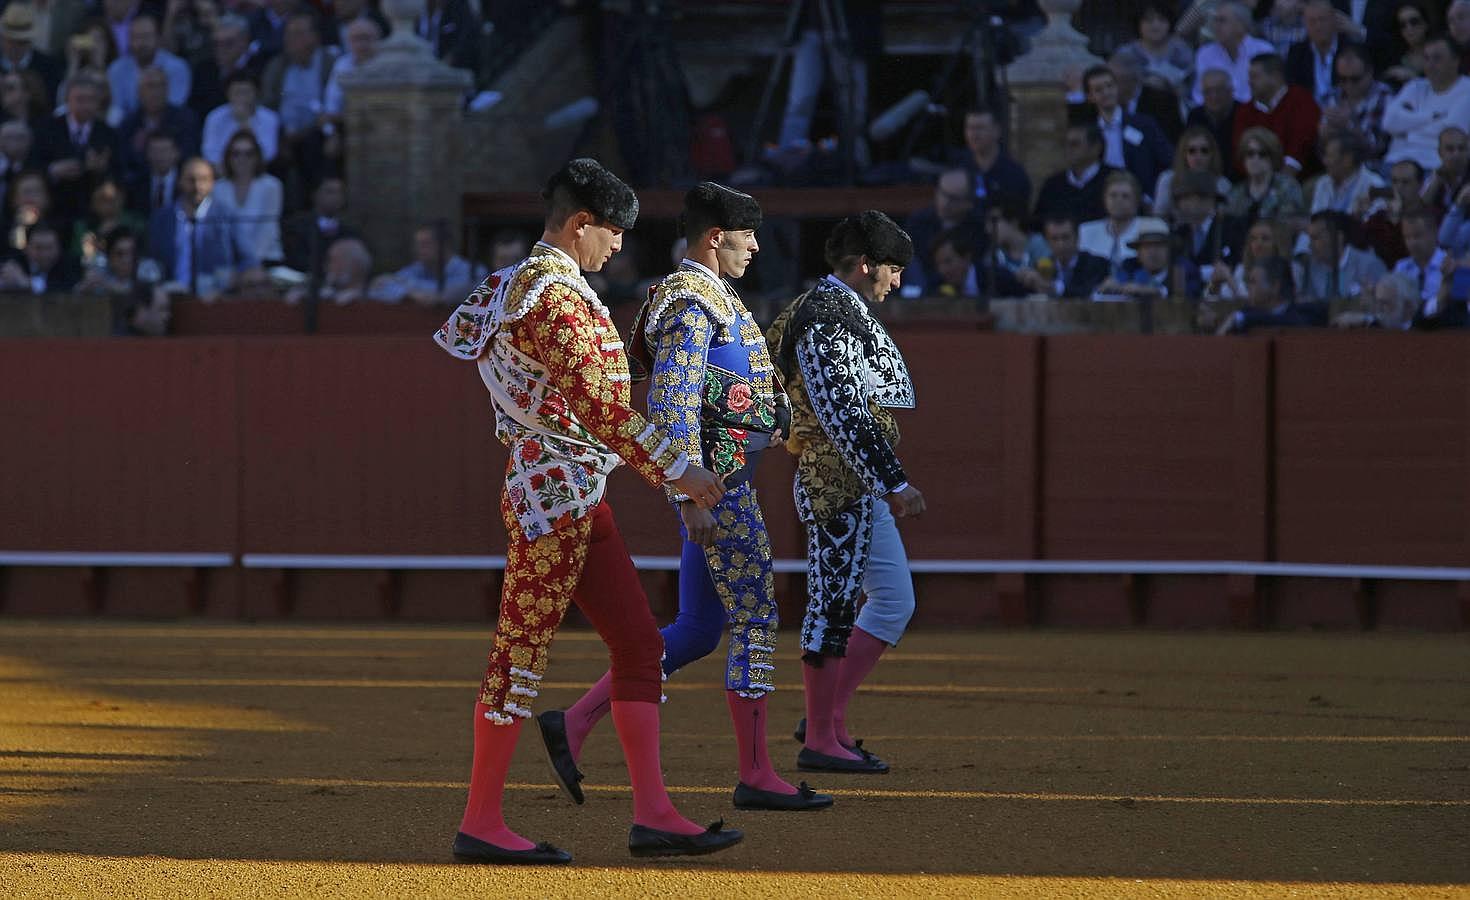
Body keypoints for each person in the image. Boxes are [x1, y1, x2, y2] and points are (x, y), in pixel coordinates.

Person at [433, 157, 741, 864]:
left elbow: (473, 350)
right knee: (519, 655)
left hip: (569, 492)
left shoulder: (511, 284)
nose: (620, 247)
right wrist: (678, 469)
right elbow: (603, 410)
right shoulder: (555, 300)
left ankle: (655, 814)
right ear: (580, 227)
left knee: (639, 646)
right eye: (614, 233)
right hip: (554, 504)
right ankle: (480, 821)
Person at [542, 182, 831, 815]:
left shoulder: (709, 297)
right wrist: (689, 497)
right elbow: (672, 403)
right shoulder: (692, 304)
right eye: (747, 236)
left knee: (699, 629)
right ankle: (755, 774)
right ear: (714, 237)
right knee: (755, 616)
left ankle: (574, 723)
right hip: (716, 484)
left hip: (720, 478)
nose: (756, 248)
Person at [764, 210, 923, 775]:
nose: (896, 282)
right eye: (893, 270)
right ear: (865, 266)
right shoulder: (827, 318)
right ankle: (822, 738)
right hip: (838, 481)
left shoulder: (830, 311)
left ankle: (824, 719)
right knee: (831, 604)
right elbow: (843, 413)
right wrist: (894, 480)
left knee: (893, 599)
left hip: (854, 480)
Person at [144, 155, 254, 295]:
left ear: (212, 182)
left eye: (204, 179)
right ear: (180, 181)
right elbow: (151, 259)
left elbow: (249, 260)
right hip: (170, 296)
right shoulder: (162, 217)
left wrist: (231, 279)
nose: (197, 186)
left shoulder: (226, 216)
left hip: (216, 298)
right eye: (191, 180)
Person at [1079, 64, 1172, 201]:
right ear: (1090, 97)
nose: (1106, 92)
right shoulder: (1088, 132)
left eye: (1109, 86)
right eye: (1098, 90)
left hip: (1142, 198)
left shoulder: (1143, 124)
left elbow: (1166, 158)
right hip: (1099, 198)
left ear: (1116, 88)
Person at [1382, 36, 1470, 172]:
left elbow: (1449, 132)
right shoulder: (1415, 87)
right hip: (1394, 163)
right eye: (1427, 58)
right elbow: (1389, 122)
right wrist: (1433, 117)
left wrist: (1407, 130)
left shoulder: (1467, 90)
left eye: (1437, 58)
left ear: (1455, 61)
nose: (1430, 65)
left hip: (1433, 168)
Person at [1231, 52, 1322, 175]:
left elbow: (1301, 145)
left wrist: (1278, 183)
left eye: (1255, 76)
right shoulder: (1245, 111)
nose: (1250, 82)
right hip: (1254, 179)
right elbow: (1241, 150)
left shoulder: (1301, 100)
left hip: (1300, 178)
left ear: (1275, 77)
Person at [903, 168, 985, 296]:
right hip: (926, 288)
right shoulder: (918, 223)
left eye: (953, 198)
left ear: (968, 203)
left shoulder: (978, 227)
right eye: (943, 193)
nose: (945, 203)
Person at [116, 65, 200, 185]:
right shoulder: (128, 124)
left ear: (167, 90)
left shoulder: (185, 119)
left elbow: (189, 154)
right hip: (140, 187)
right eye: (150, 86)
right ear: (139, 91)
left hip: (178, 184)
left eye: (161, 86)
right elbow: (123, 160)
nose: (156, 92)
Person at [212, 128, 281, 265]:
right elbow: (220, 230)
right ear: (228, 157)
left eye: (249, 154)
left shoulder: (271, 186)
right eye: (236, 154)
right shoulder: (218, 188)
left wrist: (252, 263)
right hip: (229, 261)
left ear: (257, 157)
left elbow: (268, 229)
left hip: (266, 258)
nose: (242, 159)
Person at [371, 223, 484, 305]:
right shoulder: (417, 268)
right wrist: (408, 295)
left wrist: (404, 285)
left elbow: (447, 294)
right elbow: (377, 288)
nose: (418, 250)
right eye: (417, 245)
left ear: (445, 245)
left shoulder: (473, 272)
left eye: (425, 244)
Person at [107, 14, 191, 122]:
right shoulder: (116, 69)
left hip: (169, 125)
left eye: (146, 37)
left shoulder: (177, 67)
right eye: (135, 37)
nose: (141, 43)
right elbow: (118, 107)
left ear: (158, 38)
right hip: (131, 126)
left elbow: (175, 106)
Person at [1319, 43, 1393, 160]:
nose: (1349, 85)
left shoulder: (1383, 97)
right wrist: (1323, 135)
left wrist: (1349, 125)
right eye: (1343, 79)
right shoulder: (1332, 97)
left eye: (1355, 79)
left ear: (1370, 72)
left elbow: (1377, 147)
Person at [1034, 122, 1118, 224]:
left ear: (1095, 148)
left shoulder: (1114, 180)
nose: (1068, 149)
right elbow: (1039, 223)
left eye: (1075, 144)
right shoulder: (1053, 185)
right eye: (1065, 144)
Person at [1215, 255, 1326, 332]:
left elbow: (1285, 321)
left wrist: (1241, 318)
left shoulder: (1305, 313)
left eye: (1253, 282)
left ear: (1274, 287)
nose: (1248, 287)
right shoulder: (1246, 313)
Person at [1192, 2, 1275, 105]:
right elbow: (1199, 95)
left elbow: (1269, 92)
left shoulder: (1263, 50)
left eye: (1222, 21)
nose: (1216, 26)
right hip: (1218, 114)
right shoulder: (1205, 53)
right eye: (1215, 20)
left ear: (1241, 25)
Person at [1225, 127, 1307, 223]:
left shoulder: (1288, 187)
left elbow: (1290, 224)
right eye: (1250, 153)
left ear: (1273, 157)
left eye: (1262, 154)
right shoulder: (1235, 193)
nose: (1255, 159)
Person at [280, 174, 359, 274]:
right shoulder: (296, 227)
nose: (336, 197)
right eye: (330, 192)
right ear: (315, 194)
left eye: (340, 192)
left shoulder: (350, 232)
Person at [1301, 209, 1387, 300]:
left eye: (1315, 238)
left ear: (1338, 237)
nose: (1310, 245)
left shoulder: (1369, 265)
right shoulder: (1313, 267)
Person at [951, 108, 1031, 203]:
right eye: (970, 128)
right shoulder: (956, 169)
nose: (974, 135)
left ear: (997, 131)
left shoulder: (1014, 175)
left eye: (980, 128)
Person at [1113, 4, 1195, 96]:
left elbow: (1189, 88)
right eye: (1149, 20)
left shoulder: (1182, 51)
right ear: (1138, 23)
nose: (1155, 25)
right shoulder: (1124, 54)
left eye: (1161, 19)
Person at [201, 72, 279, 166]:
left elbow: (269, 154)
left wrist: (245, 123)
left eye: (246, 92)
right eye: (237, 92)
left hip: (258, 172)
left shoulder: (270, 118)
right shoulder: (215, 117)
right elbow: (209, 153)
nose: (242, 97)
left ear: (257, 93)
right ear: (228, 94)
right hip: (221, 171)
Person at [1025, 214, 1111, 299]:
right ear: (1047, 241)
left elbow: (1087, 293)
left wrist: (1056, 288)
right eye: (1054, 239)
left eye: (1065, 237)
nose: (1060, 244)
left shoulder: (1096, 264)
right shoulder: (1040, 266)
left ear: (1077, 237)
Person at [1155, 128, 1233, 220]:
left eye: (1204, 151)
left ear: (1212, 154)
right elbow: (1158, 217)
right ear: (1184, 154)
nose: (1198, 156)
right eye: (1192, 151)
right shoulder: (1168, 180)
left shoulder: (1222, 184)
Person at [1095, 216, 1182, 298]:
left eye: (1159, 246)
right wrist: (1111, 285)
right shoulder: (1129, 266)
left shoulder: (1182, 270)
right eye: (1147, 247)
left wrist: (1156, 291)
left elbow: (1188, 295)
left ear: (1169, 250)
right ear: (1138, 252)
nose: (1153, 252)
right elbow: (1111, 284)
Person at [1285, 0, 1352, 104]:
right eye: (1312, 21)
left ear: (1333, 20)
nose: (1318, 26)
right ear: (1305, 24)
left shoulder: (1349, 48)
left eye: (1323, 20)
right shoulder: (1297, 53)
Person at [1078, 170, 1143, 276]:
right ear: (1104, 199)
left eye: (1125, 196)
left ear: (1136, 201)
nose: (1118, 200)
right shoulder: (1084, 231)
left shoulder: (1149, 228)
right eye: (1113, 195)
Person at [1311, 129, 1386, 212]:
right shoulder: (1323, 183)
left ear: (1347, 159)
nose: (1325, 161)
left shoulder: (1375, 185)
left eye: (1330, 156)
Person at [0, 219, 79, 292]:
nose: (44, 254)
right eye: (38, 248)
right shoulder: (14, 263)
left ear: (59, 248)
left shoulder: (70, 265)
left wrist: (28, 284)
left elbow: (69, 289)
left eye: (49, 248)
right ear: (26, 248)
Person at [1187, 69, 1241, 173]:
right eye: (1208, 91)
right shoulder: (1195, 116)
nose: (1214, 96)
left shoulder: (1244, 113)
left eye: (1219, 90)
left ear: (1231, 91)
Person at [1391, 209, 1447, 303]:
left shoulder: (1452, 267)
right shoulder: (1401, 268)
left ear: (1434, 233)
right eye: (1407, 237)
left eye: (1417, 236)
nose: (1412, 243)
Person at [1385, 1, 1432, 86]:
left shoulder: (1438, 54)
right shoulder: (1396, 58)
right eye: (1403, 25)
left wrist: (1413, 77)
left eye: (1414, 22)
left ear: (1426, 24)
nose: (1409, 28)